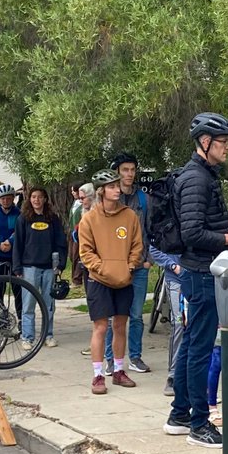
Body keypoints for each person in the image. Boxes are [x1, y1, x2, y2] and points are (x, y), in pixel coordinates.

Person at [162, 113, 228, 448]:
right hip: (203, 272)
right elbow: (192, 232)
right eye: (222, 142)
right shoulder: (196, 179)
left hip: (202, 270)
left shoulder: (203, 175)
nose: (227, 148)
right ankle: (198, 423)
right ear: (204, 142)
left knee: (192, 344)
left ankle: (179, 415)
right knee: (200, 349)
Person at [78, 168, 143, 394]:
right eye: (112, 186)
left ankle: (118, 370)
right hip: (99, 281)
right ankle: (98, 375)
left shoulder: (130, 216)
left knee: (120, 326)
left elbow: (137, 245)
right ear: (101, 191)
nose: (118, 189)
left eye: (118, 186)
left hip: (124, 279)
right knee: (100, 327)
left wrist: (130, 266)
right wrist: (103, 269)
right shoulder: (89, 219)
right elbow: (86, 253)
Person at [103, 151, 151, 374]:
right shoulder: (110, 199)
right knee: (114, 315)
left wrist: (149, 258)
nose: (129, 174)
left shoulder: (143, 199)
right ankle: (111, 358)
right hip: (116, 266)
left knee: (137, 314)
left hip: (140, 266)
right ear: (117, 172)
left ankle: (135, 356)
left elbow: (149, 230)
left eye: (132, 170)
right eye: (125, 170)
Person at [12, 186, 68, 351]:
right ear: (29, 200)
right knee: (28, 304)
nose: (36, 200)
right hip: (29, 267)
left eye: (40, 197)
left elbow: (60, 242)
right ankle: (27, 337)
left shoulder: (53, 219)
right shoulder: (23, 219)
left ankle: (48, 335)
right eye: (33, 197)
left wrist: (61, 264)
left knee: (48, 304)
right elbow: (18, 244)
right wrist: (17, 267)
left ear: (45, 199)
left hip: (49, 268)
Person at [149, 241, 184, 396]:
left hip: (197, 277)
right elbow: (153, 249)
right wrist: (172, 266)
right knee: (179, 324)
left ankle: (196, 376)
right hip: (175, 279)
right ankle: (173, 376)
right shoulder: (165, 219)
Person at [0, 183, 22, 316]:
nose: (6, 201)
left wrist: (11, 241)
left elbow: (20, 231)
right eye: (3, 198)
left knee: (18, 288)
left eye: (8, 198)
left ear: (13, 198)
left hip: (14, 256)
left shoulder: (19, 214)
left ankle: (21, 317)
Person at [70, 183, 95, 287]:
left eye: (82, 198)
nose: (80, 201)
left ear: (91, 196)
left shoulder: (100, 214)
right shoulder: (83, 212)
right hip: (86, 257)